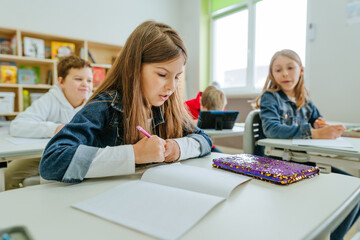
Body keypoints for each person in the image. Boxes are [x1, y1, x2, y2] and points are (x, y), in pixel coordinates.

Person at [39, 21, 212, 183]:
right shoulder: (106, 104)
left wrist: (177, 148)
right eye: (162, 75)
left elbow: (204, 140)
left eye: (177, 77)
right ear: (133, 67)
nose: (172, 87)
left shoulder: (167, 107)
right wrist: (135, 154)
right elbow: (53, 160)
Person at [255, 49, 357, 240]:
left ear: (301, 70)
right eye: (278, 70)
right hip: (281, 163)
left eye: (290, 68)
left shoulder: (305, 100)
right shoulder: (271, 97)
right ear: (272, 74)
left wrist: (320, 123)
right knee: (349, 192)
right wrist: (314, 132)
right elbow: (272, 129)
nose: (284, 73)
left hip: (306, 162)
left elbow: (318, 117)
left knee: (356, 191)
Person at [5, 56, 93, 190]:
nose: (85, 85)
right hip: (48, 153)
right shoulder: (50, 99)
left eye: (89, 80)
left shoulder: (94, 103)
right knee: (9, 173)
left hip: (80, 155)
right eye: (78, 79)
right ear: (61, 81)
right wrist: (55, 128)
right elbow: (17, 125)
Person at [185, 85, 227, 153]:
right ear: (201, 103)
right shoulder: (186, 106)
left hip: (207, 145)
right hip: (191, 147)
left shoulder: (216, 103)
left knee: (224, 159)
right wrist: (191, 123)